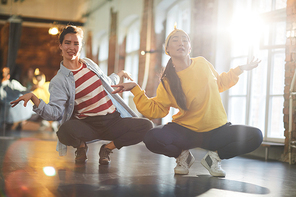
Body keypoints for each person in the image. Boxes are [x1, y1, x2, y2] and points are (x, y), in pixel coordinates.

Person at [111, 26, 263, 177]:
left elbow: (220, 83)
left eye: (185, 40)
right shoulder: (167, 81)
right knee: (151, 138)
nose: (181, 43)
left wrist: (240, 69)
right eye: (175, 40)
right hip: (185, 132)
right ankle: (183, 156)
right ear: (167, 50)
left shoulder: (202, 63)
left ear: (189, 47)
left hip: (216, 131)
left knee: (255, 136)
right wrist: (135, 89)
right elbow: (155, 110)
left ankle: (213, 159)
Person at [11, 25, 153, 164]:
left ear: (80, 46)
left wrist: (120, 74)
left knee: (147, 126)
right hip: (88, 125)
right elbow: (55, 113)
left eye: (76, 43)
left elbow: (106, 83)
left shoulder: (89, 64)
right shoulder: (59, 80)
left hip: (113, 121)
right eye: (67, 43)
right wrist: (35, 99)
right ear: (60, 45)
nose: (71, 47)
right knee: (64, 132)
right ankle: (81, 147)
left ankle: (107, 149)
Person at [0, 67, 33, 132]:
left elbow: (23, 90)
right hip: (6, 109)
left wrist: (31, 89)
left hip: (12, 108)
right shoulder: (8, 84)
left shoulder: (12, 84)